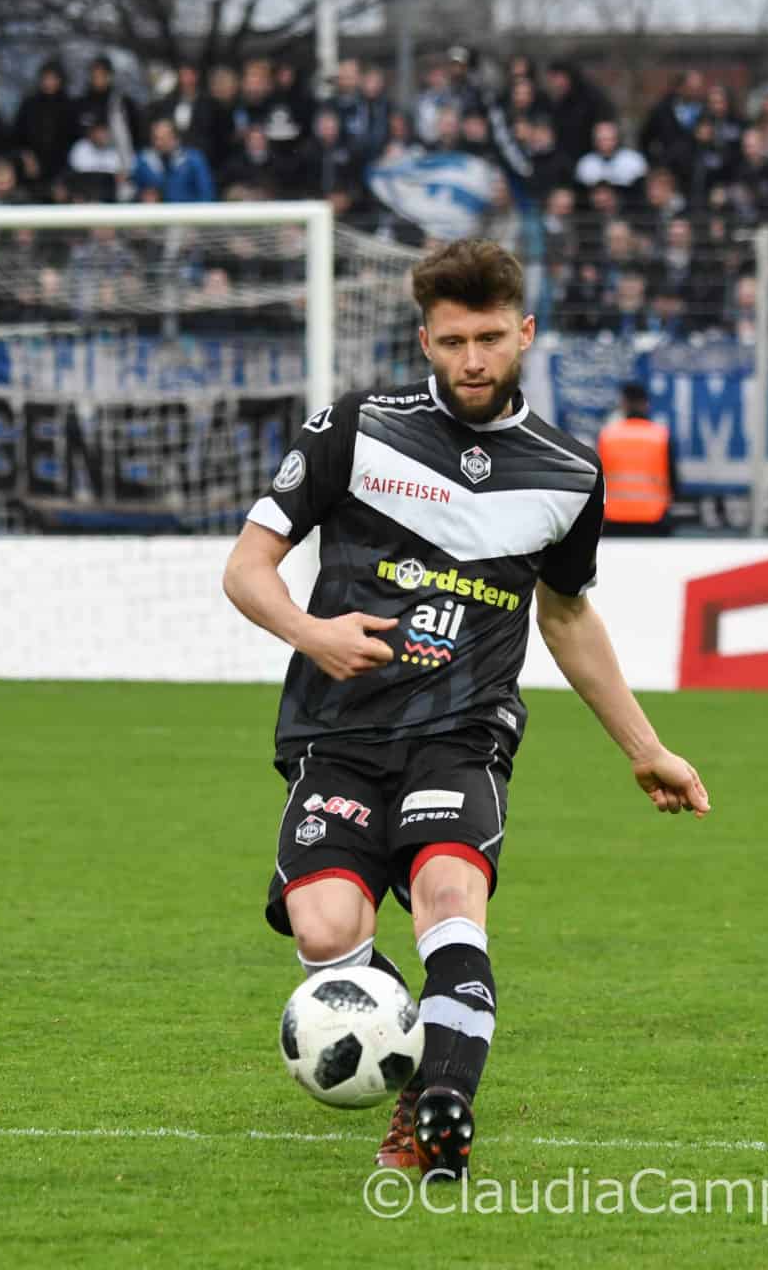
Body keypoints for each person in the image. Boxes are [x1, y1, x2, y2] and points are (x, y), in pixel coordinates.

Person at [221, 239, 710, 1178]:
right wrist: (312, 634)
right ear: (425, 343)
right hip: (338, 731)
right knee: (324, 929)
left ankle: (439, 1103)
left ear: (524, 333)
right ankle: (417, 1041)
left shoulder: (569, 472)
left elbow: (566, 616)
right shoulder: (356, 429)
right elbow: (248, 568)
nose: (473, 360)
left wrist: (645, 747)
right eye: (453, 342)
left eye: (489, 339)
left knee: (449, 900)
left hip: (463, 732)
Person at [597, 381, 677, 536]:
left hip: (614, 519)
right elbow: (673, 481)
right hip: (654, 519)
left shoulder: (607, 435)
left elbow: (597, 479)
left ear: (624, 404)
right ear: (646, 404)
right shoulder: (660, 436)